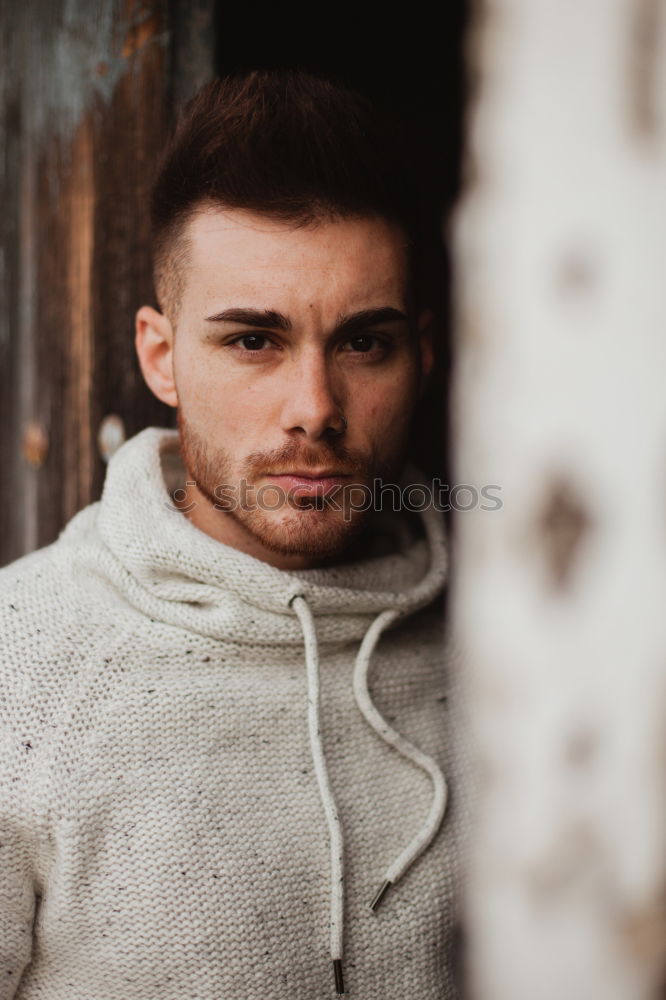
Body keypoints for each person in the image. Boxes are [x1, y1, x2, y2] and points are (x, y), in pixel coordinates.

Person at [0, 69, 474, 999]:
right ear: (161, 355)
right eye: (253, 341)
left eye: (362, 343)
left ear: (421, 355)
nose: (316, 410)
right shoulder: (20, 663)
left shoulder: (528, 647)